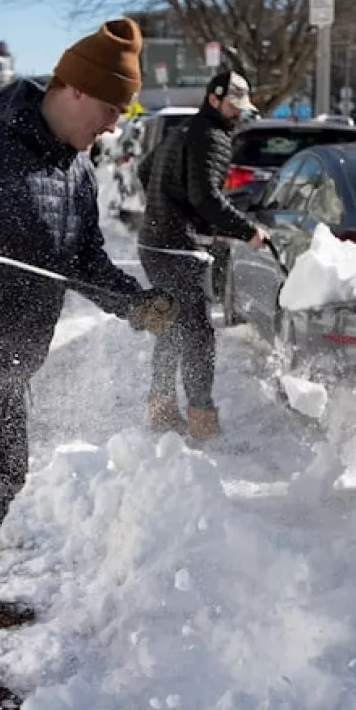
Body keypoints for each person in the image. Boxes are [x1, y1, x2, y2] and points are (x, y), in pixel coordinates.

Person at [0, 17, 178, 710]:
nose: (112, 126)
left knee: (4, 476)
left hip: (6, 361)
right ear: (73, 90)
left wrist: (133, 304)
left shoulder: (76, 171)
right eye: (109, 108)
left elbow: (82, 260)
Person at [136, 69, 268, 440]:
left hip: (154, 243)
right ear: (213, 98)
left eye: (241, 106)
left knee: (171, 326)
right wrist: (247, 231)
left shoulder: (184, 130)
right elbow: (206, 197)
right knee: (197, 334)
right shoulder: (211, 136)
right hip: (179, 248)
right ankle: (202, 421)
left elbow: (146, 171)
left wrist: (164, 207)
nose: (238, 113)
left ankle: (161, 408)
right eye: (233, 105)